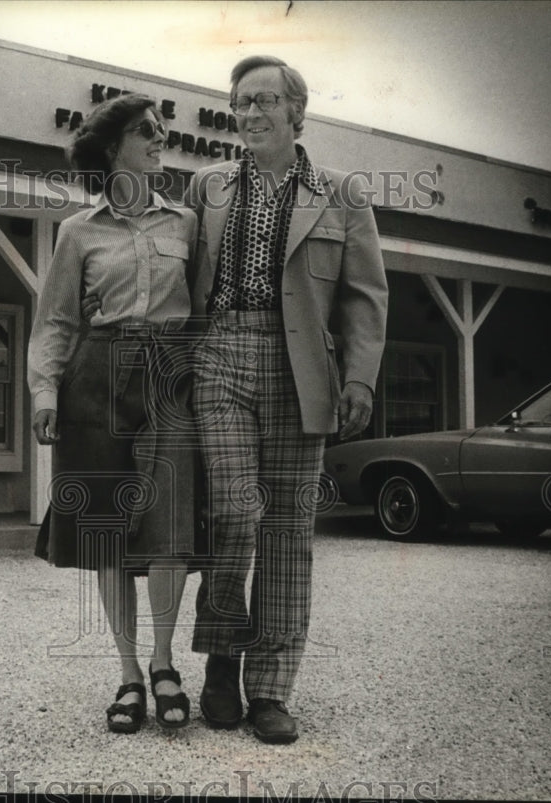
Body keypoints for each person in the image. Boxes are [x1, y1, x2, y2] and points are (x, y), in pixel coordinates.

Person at [185, 55, 389, 744]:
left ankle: (271, 690)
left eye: (265, 101)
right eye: (241, 102)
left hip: (302, 366)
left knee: (289, 535)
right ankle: (220, 658)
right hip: (220, 354)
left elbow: (364, 296)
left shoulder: (341, 192)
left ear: (297, 111)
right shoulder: (207, 186)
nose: (251, 113)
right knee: (236, 511)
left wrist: (359, 376)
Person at [28, 94, 199, 733]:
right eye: (145, 131)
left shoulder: (186, 222)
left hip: (169, 378)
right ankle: (128, 674)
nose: (160, 139)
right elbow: (56, 322)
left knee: (169, 522)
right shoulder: (78, 231)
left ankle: (163, 662)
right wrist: (45, 394)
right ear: (112, 148)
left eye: (161, 129)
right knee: (105, 529)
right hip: (96, 378)